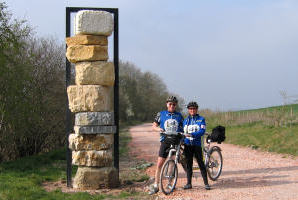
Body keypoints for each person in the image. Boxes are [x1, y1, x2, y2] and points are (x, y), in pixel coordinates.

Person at [149, 96, 184, 195]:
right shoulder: (161, 114)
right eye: (170, 104)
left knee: (172, 163)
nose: (172, 106)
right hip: (165, 141)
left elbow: (183, 128)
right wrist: (158, 129)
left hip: (175, 141)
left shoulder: (179, 116)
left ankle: (170, 183)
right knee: (160, 163)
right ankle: (156, 185)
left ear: (176, 105)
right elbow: (153, 126)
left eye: (174, 104)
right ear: (167, 104)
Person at [183, 101, 211, 190]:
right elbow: (183, 132)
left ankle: (206, 183)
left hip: (197, 145)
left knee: (201, 163)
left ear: (196, 109)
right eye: (190, 109)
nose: (192, 110)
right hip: (187, 145)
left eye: (194, 108)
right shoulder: (185, 120)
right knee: (189, 164)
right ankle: (189, 183)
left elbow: (202, 131)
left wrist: (193, 135)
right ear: (188, 110)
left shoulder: (201, 119)